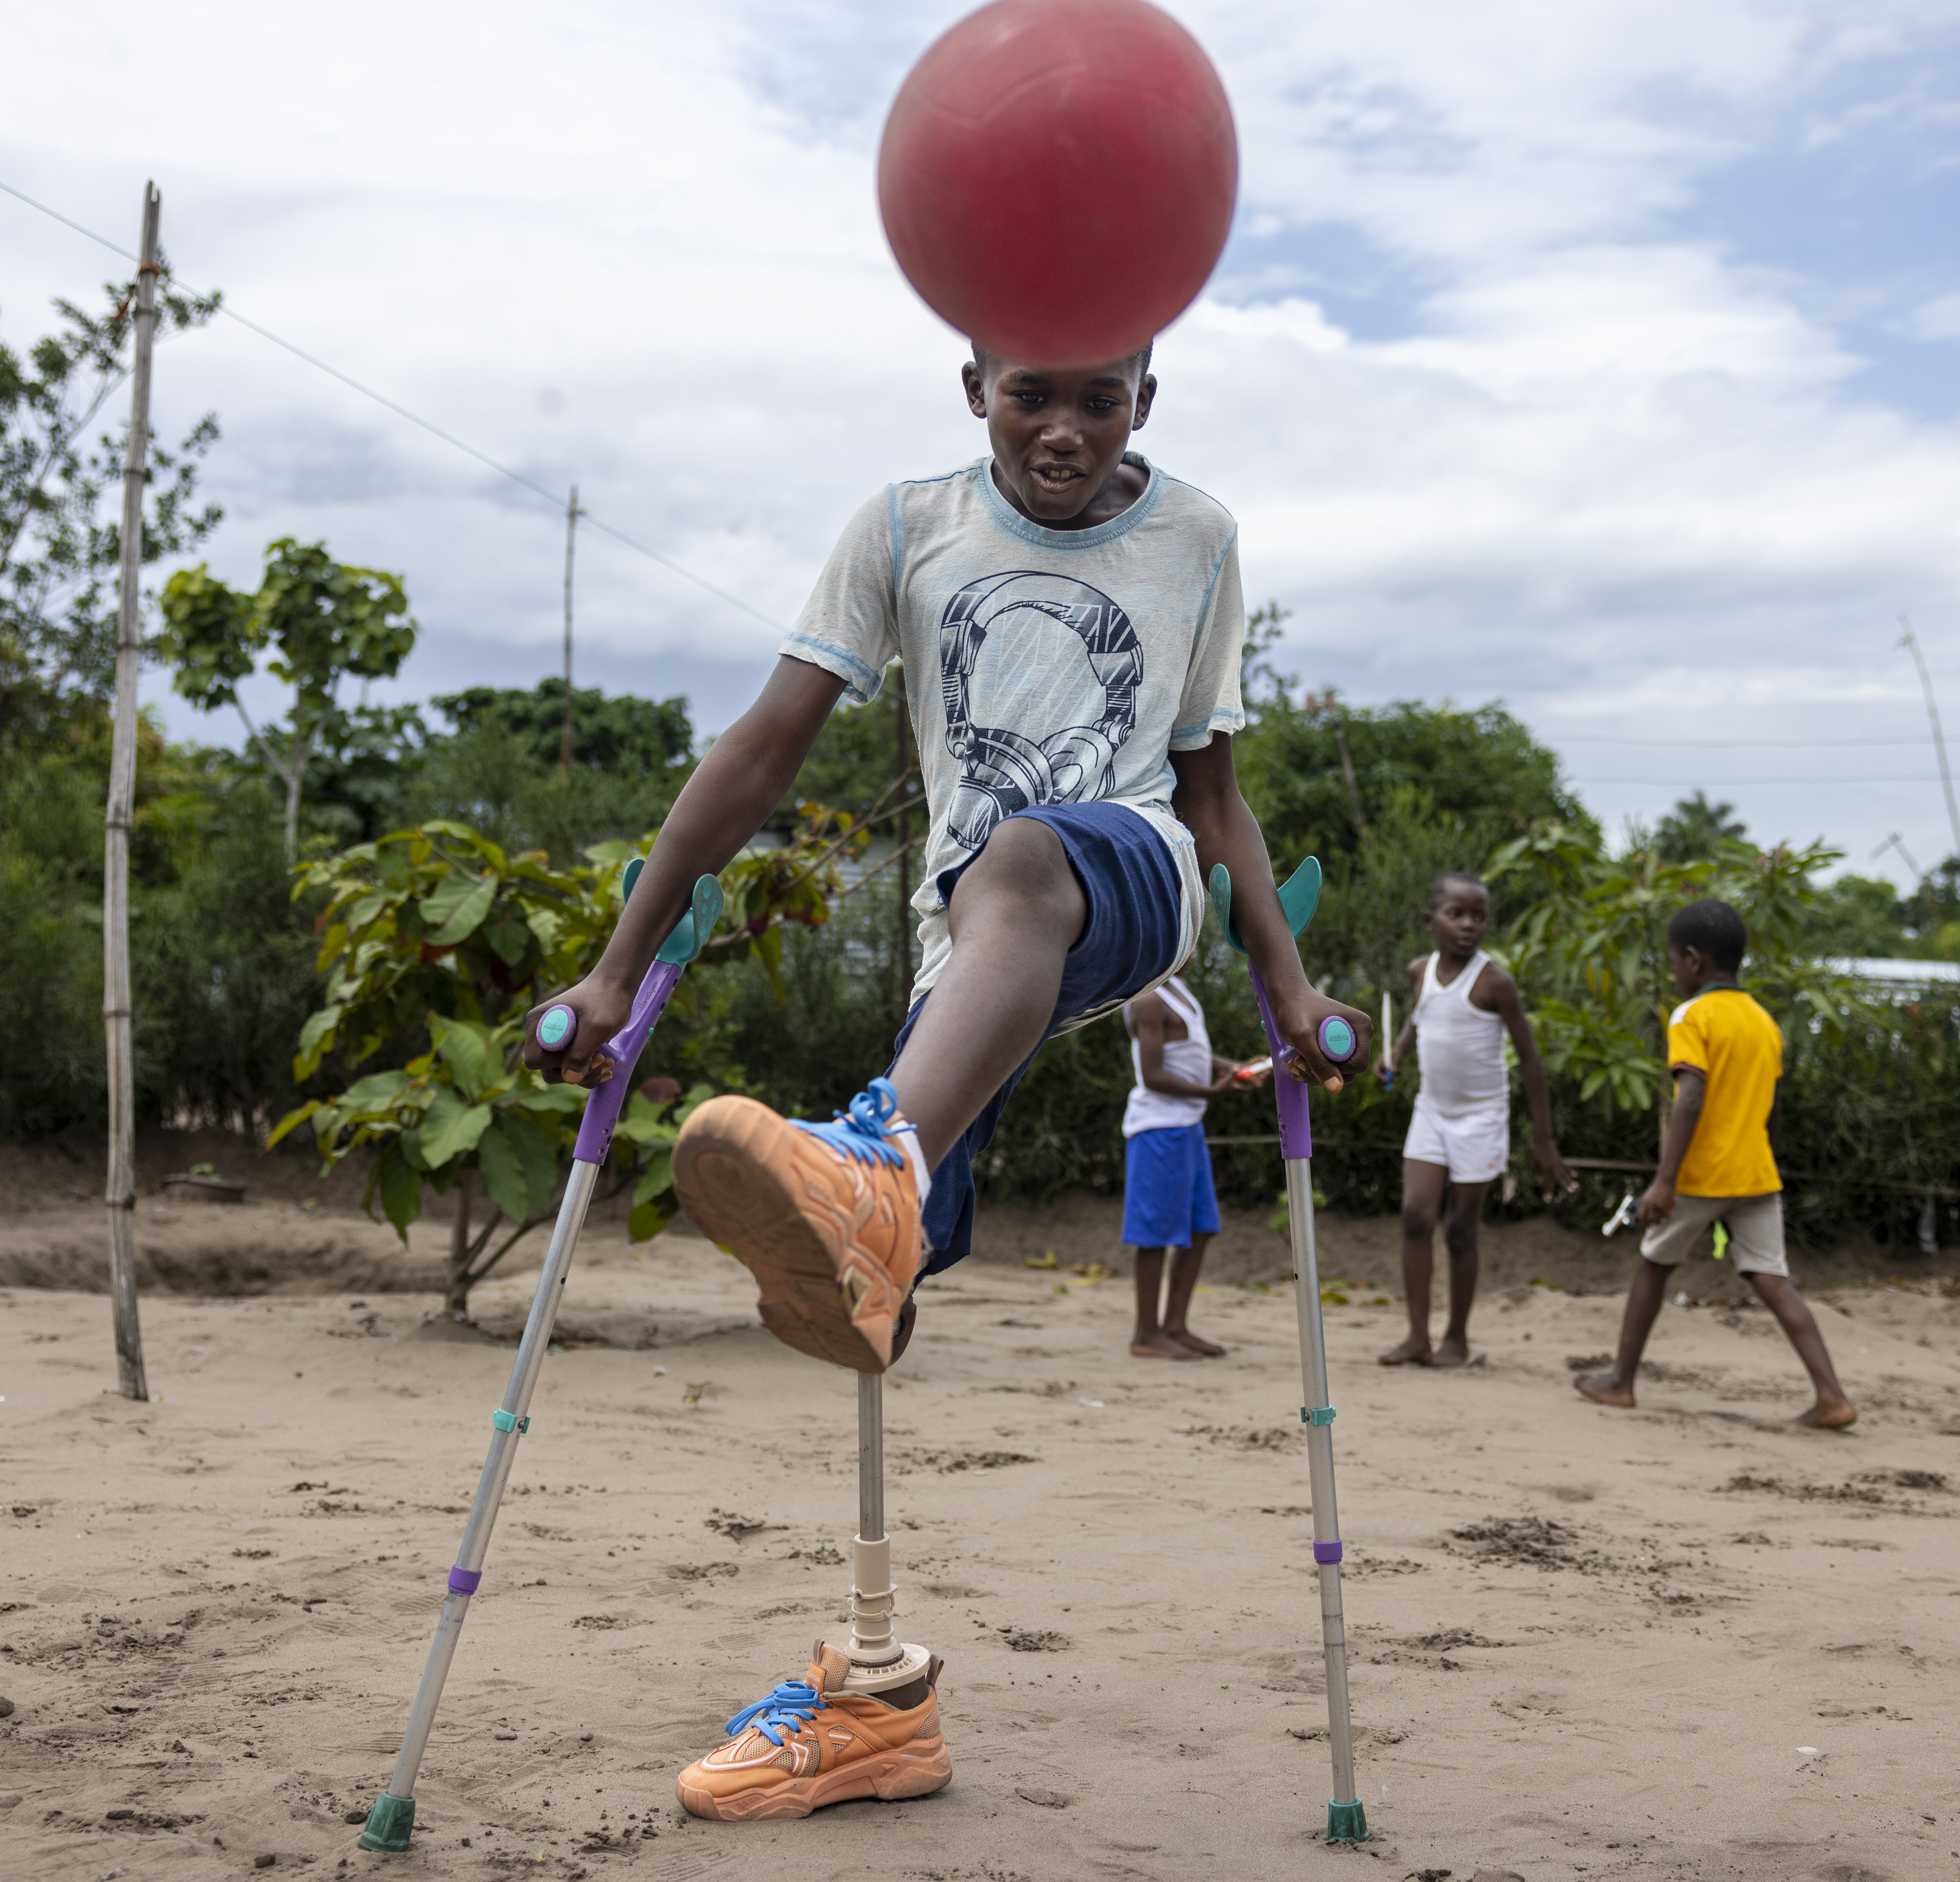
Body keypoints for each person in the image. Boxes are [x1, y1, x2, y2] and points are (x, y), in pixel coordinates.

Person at [520, 339, 1367, 1823]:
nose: (1064, 428)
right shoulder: (905, 527)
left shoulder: (1199, 537)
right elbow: (763, 748)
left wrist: (1288, 988)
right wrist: (611, 966)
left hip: (1127, 872)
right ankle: (877, 1703)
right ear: (972, 381)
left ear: (1146, 403)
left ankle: (875, 1165)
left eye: (1100, 398)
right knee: (870, 1298)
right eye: (1033, 391)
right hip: (965, 938)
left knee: (1029, 854)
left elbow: (1214, 789)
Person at [1573, 899, 1856, 1428]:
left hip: (1702, 1175)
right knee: (1773, 1279)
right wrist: (1764, 1158)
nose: (1676, 971)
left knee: (1654, 1264)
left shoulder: (1692, 1016)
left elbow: (1691, 1099)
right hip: (1756, 1175)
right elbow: (1771, 1108)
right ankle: (1832, 1396)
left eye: (1675, 961)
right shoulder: (1764, 1022)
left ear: (1693, 960)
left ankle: (1621, 1383)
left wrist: (1665, 1182)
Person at [1371, 871, 1574, 1367]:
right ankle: (1417, 1337)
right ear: (1430, 920)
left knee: (1461, 1230)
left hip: (1481, 1118)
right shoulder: (1420, 971)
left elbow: (1529, 1062)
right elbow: (1418, 1021)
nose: (1469, 925)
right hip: (1432, 1113)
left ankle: (1456, 1339)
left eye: (1479, 917)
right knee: (1416, 1216)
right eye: (1456, 914)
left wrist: (1543, 1140)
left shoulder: (1495, 982)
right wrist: (1395, 1054)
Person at [1120, 965, 1261, 1359]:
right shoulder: (1147, 997)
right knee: (1154, 1234)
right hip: (1158, 1130)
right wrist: (1213, 1093)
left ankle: (1175, 1326)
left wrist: (1230, 1068)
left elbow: (1191, 1050)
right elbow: (1152, 1075)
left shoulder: (1179, 989)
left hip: (1188, 1128)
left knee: (1201, 1228)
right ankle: (1146, 1334)